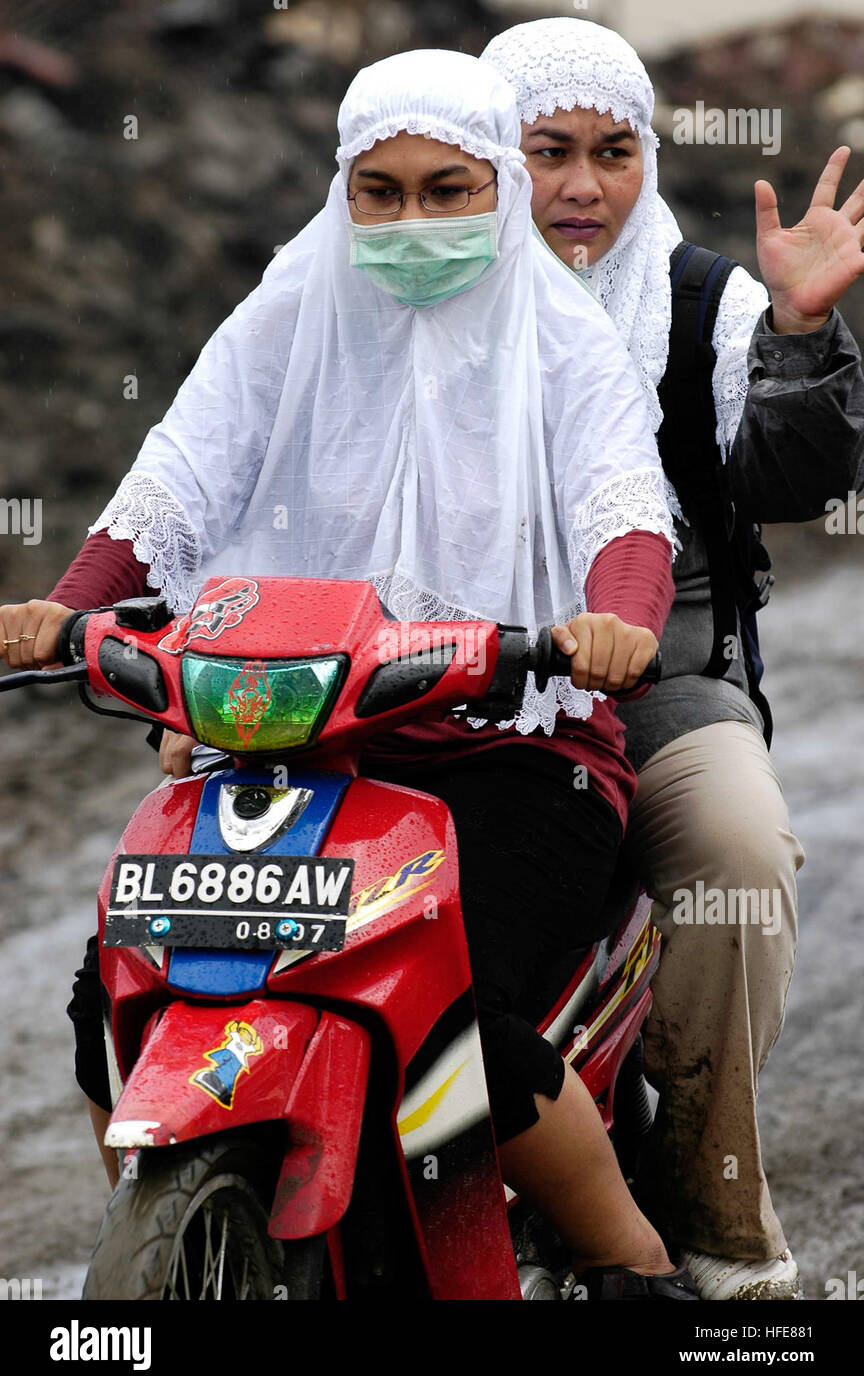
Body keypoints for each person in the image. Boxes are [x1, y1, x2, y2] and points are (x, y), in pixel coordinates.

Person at [0, 50, 700, 1298]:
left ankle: (627, 1256)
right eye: (379, 191)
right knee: (125, 972)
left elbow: (622, 510)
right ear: (344, 189)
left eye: (447, 188)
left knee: (455, 1023)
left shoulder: (563, 338)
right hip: (298, 731)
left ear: (497, 186)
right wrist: (67, 607)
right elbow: (180, 473)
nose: (410, 219)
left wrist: (618, 620)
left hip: (513, 736)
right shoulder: (292, 303)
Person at [482, 16, 864, 1300]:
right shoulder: (403, 296)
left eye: (614, 151)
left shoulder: (702, 301)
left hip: (661, 682)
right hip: (433, 696)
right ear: (489, 152)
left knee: (736, 853)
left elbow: (786, 481)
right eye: (547, 151)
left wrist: (802, 341)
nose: (584, 185)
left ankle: (713, 1212)